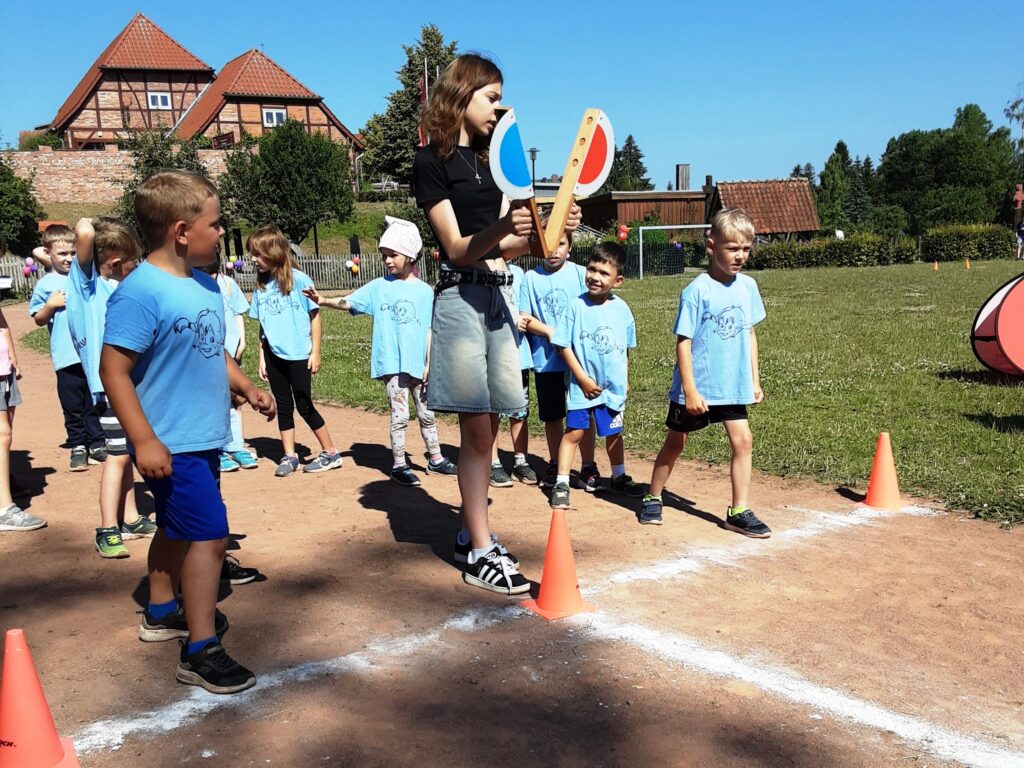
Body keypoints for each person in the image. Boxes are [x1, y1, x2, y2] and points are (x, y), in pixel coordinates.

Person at [101, 168, 275, 694]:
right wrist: (145, 440)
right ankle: (200, 649)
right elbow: (114, 370)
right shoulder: (139, 293)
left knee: (179, 528)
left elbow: (209, 349)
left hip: (203, 438)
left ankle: (160, 610)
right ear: (181, 231)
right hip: (169, 442)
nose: (221, 233)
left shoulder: (202, 285)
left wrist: (245, 386)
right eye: (215, 225)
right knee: (209, 535)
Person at [413, 53, 581, 595]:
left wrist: (552, 225)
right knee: (479, 429)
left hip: (500, 299)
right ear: (460, 97)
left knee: (491, 424)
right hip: (461, 298)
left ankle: (470, 533)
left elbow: (517, 244)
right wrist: (507, 229)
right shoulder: (431, 163)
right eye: (492, 98)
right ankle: (481, 548)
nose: (501, 110)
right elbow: (459, 249)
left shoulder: (495, 164)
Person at [639, 208, 770, 535]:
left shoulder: (748, 287)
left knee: (743, 441)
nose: (740, 256)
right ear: (711, 246)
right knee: (675, 443)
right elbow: (683, 343)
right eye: (732, 248)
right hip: (697, 386)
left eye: (745, 249)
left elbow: (750, 333)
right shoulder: (697, 290)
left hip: (733, 384)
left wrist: (754, 379)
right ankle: (653, 496)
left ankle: (738, 510)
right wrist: (691, 390)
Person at [304, 216, 457, 486]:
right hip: (392, 366)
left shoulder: (425, 292)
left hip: (420, 366)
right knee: (400, 416)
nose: (387, 260)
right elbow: (349, 301)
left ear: (410, 256)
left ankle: (436, 459)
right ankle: (399, 465)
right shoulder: (378, 287)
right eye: (384, 255)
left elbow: (432, 330)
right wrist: (323, 300)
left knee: (427, 414)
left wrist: (429, 364)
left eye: (393, 255)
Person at [70, 217, 157, 558]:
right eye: (135, 258)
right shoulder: (88, 284)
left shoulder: (119, 288)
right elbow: (84, 230)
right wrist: (100, 228)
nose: (138, 265)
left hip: (127, 385)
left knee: (127, 453)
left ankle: (131, 518)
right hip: (107, 389)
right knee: (117, 456)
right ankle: (107, 527)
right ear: (119, 261)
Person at [549, 242, 642, 510]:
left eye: (604, 273)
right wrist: (582, 378)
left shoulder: (622, 310)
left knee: (614, 433)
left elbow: (625, 350)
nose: (595, 277)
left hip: (611, 389)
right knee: (575, 432)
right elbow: (563, 345)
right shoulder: (575, 306)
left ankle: (619, 475)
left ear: (618, 280)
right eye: (592, 269)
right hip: (582, 387)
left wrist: (625, 380)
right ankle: (563, 482)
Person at [248, 226, 342, 477]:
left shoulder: (300, 281)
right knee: (283, 404)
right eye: (252, 255)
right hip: (273, 353)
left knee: (304, 403)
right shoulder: (260, 286)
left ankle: (331, 452)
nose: (253, 260)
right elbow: (262, 326)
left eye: (257, 254)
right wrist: (261, 357)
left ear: (274, 252)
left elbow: (315, 317)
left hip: (299, 353)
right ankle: (290, 455)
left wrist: (316, 352)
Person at [523, 230, 599, 491]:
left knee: (583, 414)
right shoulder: (530, 278)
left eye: (560, 243)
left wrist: (572, 340)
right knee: (553, 415)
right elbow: (525, 318)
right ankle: (556, 463)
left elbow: (591, 309)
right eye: (548, 244)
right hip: (546, 361)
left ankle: (589, 465)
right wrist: (552, 333)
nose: (554, 251)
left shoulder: (580, 274)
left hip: (579, 362)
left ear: (570, 246)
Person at [29, 224, 106, 471]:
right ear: (48, 253)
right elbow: (38, 319)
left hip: (90, 354)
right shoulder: (46, 284)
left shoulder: (83, 278)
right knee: (72, 404)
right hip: (66, 355)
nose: (69, 258)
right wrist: (50, 305)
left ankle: (96, 444)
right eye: (62, 254)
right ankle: (77, 446)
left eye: (73, 253)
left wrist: (59, 254)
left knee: (93, 400)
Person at [488, 260, 546, 487]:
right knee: (492, 411)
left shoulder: (519, 274)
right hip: (492, 354)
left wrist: (523, 318)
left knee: (519, 412)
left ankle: (521, 460)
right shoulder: (481, 271)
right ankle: (493, 462)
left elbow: (525, 310)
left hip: (517, 356)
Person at [202, 257, 258, 473]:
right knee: (215, 401)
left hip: (232, 353)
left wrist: (241, 341)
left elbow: (237, 314)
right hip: (208, 354)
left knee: (235, 400)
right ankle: (219, 450)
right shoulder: (194, 285)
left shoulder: (227, 284)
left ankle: (235, 446)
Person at [0, 289, 44, 532]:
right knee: (1, 436)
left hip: (3, 367)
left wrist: (11, 353)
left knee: (5, 435)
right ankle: (4, 510)